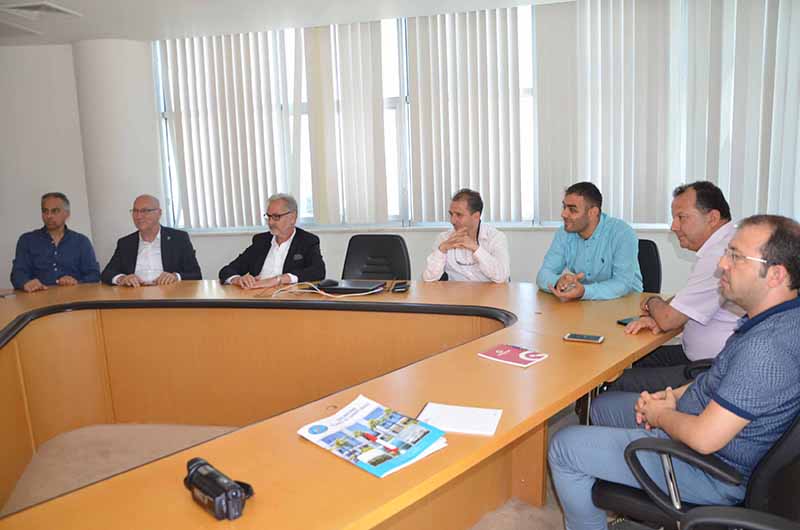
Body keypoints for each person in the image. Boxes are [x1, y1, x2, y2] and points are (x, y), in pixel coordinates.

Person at [549, 215, 800, 530]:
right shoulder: (774, 319)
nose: (722, 263)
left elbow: (705, 439)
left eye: (736, 256)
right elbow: (719, 377)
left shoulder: (768, 348)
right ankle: (624, 488)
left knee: (564, 445)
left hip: (709, 469)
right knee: (603, 407)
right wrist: (672, 396)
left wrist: (661, 415)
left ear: (776, 274)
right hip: (698, 424)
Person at [608, 182, 744, 392]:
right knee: (637, 360)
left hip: (713, 370)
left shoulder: (719, 255)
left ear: (712, 218)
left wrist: (652, 302)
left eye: (682, 217)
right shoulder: (727, 243)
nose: (674, 227)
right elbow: (686, 301)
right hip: (710, 358)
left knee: (616, 380)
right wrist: (659, 315)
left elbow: (668, 320)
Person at [536, 182, 642, 301]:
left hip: (626, 302)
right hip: (585, 303)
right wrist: (558, 282)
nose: (564, 214)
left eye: (572, 210)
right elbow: (543, 274)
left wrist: (584, 291)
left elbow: (622, 284)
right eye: (564, 207)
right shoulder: (564, 233)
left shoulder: (622, 233)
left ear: (593, 212)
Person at [218, 193, 325, 289]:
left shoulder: (307, 241)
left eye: (276, 217)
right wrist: (237, 279)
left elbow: (318, 271)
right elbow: (227, 270)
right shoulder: (261, 241)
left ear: (292, 217)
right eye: (268, 216)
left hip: (287, 298)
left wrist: (279, 279)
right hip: (256, 297)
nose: (270, 222)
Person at [101, 194, 202, 286]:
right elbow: (107, 273)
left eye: (145, 211)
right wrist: (122, 278)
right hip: (135, 295)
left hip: (169, 294)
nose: (139, 216)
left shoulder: (179, 238)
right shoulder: (126, 243)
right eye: (135, 211)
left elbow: (196, 274)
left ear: (159, 213)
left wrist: (175, 276)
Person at [11, 192, 100, 292]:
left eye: (55, 211)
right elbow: (17, 274)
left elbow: (94, 274)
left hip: (73, 296)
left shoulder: (81, 242)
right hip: (38, 297)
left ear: (67, 214)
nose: (49, 216)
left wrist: (77, 282)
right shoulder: (27, 240)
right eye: (45, 211)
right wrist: (26, 283)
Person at [421, 188, 509, 283]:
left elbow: (502, 276)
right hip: (455, 292)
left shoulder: (495, 238)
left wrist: (475, 248)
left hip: (489, 292)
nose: (452, 221)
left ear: (476, 216)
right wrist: (442, 249)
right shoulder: (444, 238)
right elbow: (428, 278)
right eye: (451, 214)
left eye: (459, 215)